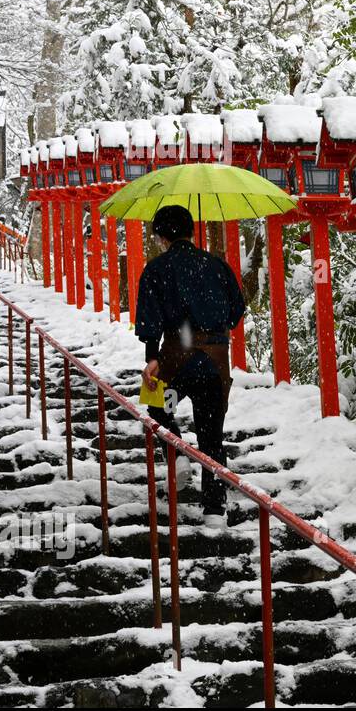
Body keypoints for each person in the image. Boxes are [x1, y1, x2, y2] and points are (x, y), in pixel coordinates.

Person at [136, 205, 245, 528]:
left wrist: (151, 356)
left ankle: (177, 452)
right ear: (190, 232)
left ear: (162, 235)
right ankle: (214, 509)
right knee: (212, 435)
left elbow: (149, 317)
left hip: (175, 360)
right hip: (214, 362)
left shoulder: (157, 269)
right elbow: (237, 311)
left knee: (158, 405)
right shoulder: (217, 266)